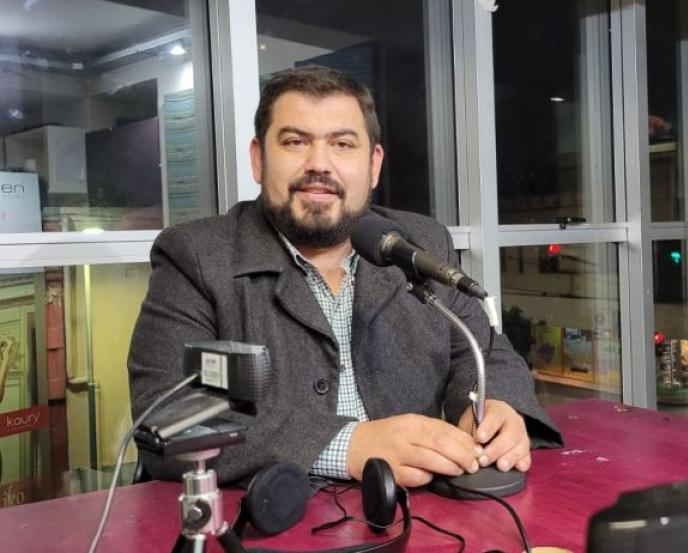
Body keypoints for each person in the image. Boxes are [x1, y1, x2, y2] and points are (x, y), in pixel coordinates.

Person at [128, 65, 562, 486]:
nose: (319, 164)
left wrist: (496, 406)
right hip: (274, 516)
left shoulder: (420, 241)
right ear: (259, 159)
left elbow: (484, 352)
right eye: (295, 142)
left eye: (342, 144)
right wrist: (348, 445)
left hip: (417, 510)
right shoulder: (196, 256)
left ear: (373, 165)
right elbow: (167, 416)